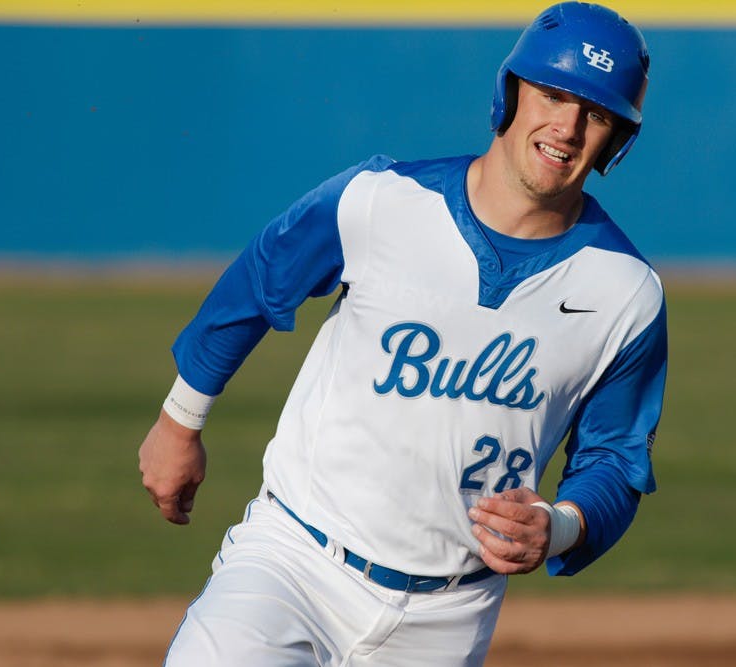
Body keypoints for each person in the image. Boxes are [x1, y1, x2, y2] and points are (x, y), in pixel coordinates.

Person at [139, 2, 667, 665]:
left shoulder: (626, 292)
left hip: (448, 617)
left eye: (596, 112)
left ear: (616, 138)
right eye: (554, 93)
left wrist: (559, 526)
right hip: (293, 562)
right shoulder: (381, 200)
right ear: (511, 93)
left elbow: (615, 462)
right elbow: (260, 276)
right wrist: (179, 420)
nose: (567, 125)